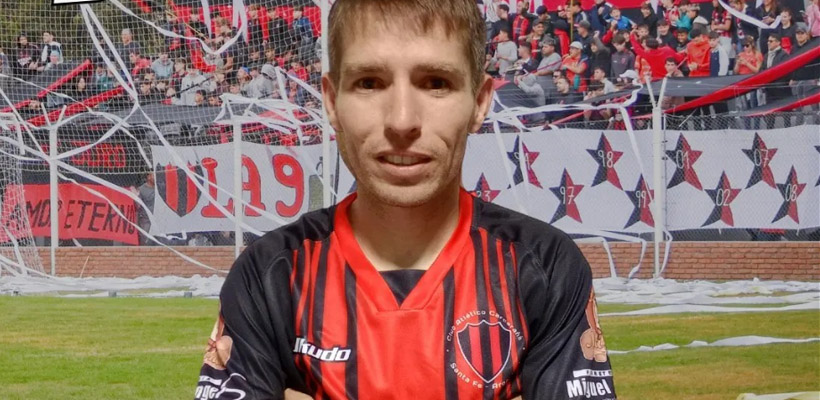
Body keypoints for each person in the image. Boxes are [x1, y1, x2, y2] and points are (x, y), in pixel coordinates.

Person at [193, 1, 617, 400]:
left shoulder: (546, 267)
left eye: (436, 83)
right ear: (332, 101)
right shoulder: (269, 275)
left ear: (479, 103)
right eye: (369, 83)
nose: (401, 121)